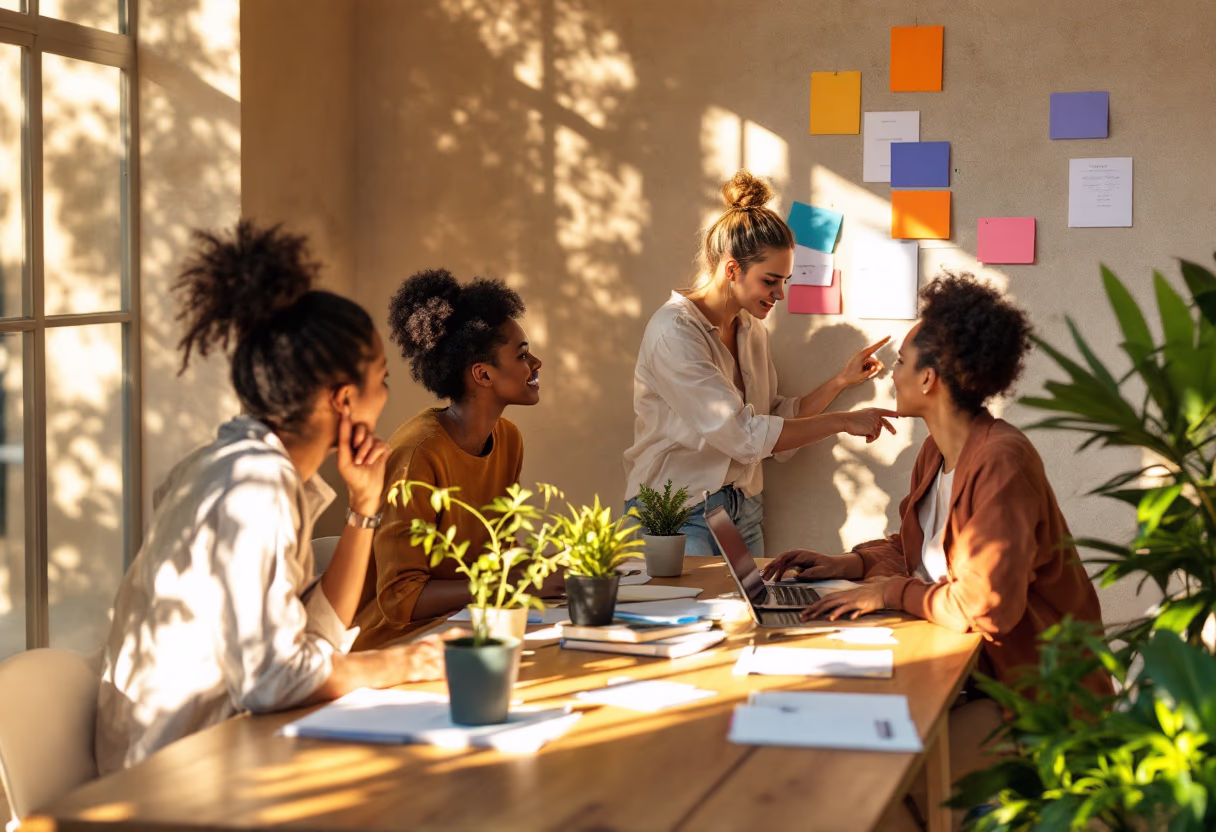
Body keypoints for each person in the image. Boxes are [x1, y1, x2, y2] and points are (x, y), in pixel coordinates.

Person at [94, 221, 446, 775]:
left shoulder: (247, 468)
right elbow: (274, 678)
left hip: (229, 750)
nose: (385, 397)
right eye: (382, 380)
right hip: (175, 776)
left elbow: (315, 642)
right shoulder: (252, 488)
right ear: (344, 400)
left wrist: (364, 507)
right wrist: (402, 664)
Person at [763, 273, 1112, 694]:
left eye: (900, 363)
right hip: (961, 664)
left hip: (1029, 692)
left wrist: (890, 592)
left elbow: (986, 607)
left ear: (928, 379)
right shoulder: (935, 452)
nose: (893, 376)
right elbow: (919, 551)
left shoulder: (1002, 461)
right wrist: (848, 564)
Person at [623, 170, 899, 558]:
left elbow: (772, 419)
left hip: (743, 509)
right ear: (732, 269)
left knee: (754, 601)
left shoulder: (751, 329)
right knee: (693, 602)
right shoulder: (674, 332)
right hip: (678, 513)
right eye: (770, 281)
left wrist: (840, 381)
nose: (780, 293)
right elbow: (745, 436)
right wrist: (842, 422)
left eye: (784, 281)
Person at [351, 269, 558, 650]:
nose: (536, 363)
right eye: (522, 355)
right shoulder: (418, 454)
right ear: (483, 374)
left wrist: (554, 566)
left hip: (466, 627)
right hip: (395, 647)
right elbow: (400, 599)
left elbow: (496, 557)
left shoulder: (508, 440)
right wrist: (522, 582)